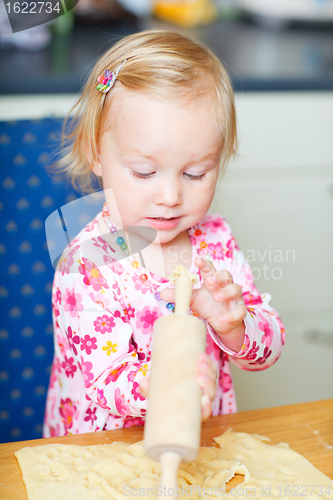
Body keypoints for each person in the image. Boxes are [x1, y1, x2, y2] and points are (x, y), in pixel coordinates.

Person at [43, 29, 285, 437]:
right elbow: (105, 382)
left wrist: (235, 327)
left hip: (202, 444)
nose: (171, 196)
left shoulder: (216, 241)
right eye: (144, 172)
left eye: (195, 173)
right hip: (105, 451)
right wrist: (169, 384)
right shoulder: (87, 263)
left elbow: (267, 350)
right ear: (96, 154)